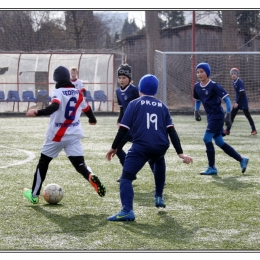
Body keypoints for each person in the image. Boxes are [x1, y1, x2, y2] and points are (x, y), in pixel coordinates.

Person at [105, 74, 193, 221]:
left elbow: (123, 130)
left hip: (141, 146)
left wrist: (114, 147)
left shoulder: (134, 104)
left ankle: (127, 211)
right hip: (160, 146)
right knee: (158, 159)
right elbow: (171, 131)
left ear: (140, 89)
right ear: (156, 90)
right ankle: (158, 196)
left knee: (126, 178)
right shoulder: (163, 107)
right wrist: (180, 153)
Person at [23, 65, 106, 204]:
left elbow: (55, 106)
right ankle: (90, 176)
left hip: (56, 136)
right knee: (79, 164)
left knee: (43, 163)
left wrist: (38, 112)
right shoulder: (78, 92)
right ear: (68, 78)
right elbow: (87, 108)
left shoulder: (58, 91)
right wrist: (92, 119)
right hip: (74, 135)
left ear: (56, 80)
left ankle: (34, 195)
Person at [193, 62, 249, 175]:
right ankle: (242, 159)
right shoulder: (197, 87)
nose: (199, 74)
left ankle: (212, 167)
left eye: (202, 71)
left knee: (206, 139)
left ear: (207, 73)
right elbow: (198, 100)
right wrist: (196, 111)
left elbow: (227, 99)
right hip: (210, 117)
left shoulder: (214, 85)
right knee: (219, 142)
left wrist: (228, 115)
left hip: (217, 116)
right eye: (198, 72)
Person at [115, 63, 140, 182]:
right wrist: (119, 121)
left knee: (147, 152)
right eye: (119, 77)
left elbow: (140, 107)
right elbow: (121, 108)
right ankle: (129, 173)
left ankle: (159, 177)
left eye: (124, 78)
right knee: (117, 149)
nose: (121, 80)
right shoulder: (118, 91)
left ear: (129, 78)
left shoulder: (135, 90)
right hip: (126, 127)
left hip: (136, 127)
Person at [224, 68, 257, 136]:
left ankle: (254, 130)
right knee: (232, 115)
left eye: (235, 74)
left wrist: (237, 102)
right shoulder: (233, 82)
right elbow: (238, 93)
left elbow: (242, 93)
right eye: (232, 74)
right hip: (238, 101)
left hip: (243, 101)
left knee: (248, 116)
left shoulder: (240, 81)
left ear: (237, 75)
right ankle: (227, 130)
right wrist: (236, 101)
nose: (233, 75)